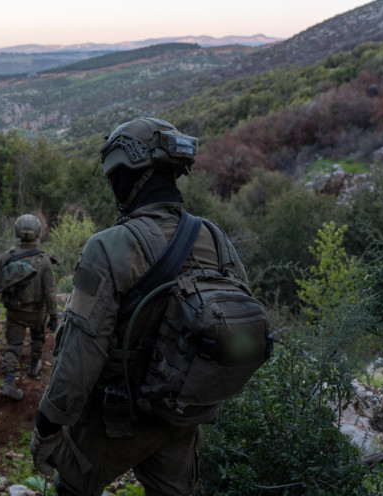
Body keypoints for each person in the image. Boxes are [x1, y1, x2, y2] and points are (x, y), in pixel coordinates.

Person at [30, 117, 248, 495]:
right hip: (182, 416)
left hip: (116, 419)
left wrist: (48, 423)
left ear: (124, 175)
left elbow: (81, 353)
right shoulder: (216, 237)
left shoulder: (109, 246)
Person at [0, 214, 58, 400]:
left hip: (14, 312)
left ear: (17, 232)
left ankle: (9, 382)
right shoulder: (44, 261)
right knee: (38, 336)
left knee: (13, 345)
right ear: (38, 233)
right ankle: (33, 366)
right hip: (36, 312)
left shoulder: (7, 256)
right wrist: (53, 316)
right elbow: (50, 293)